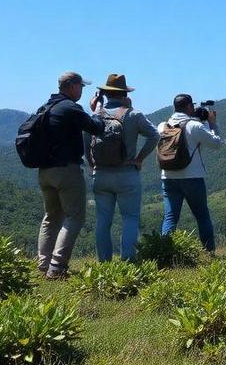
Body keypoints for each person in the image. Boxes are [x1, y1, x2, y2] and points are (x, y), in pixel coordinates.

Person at [38, 71, 106, 279]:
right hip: (66, 170)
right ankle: (57, 267)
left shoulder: (46, 107)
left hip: (44, 171)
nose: (82, 91)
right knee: (74, 216)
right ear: (72, 86)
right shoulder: (70, 108)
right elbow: (97, 128)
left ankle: (43, 264)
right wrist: (99, 109)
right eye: (81, 87)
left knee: (51, 217)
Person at [87, 74, 160, 262]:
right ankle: (128, 261)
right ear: (124, 93)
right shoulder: (133, 114)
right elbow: (154, 136)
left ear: (105, 93)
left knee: (103, 221)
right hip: (127, 174)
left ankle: (104, 262)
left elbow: (85, 143)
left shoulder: (95, 116)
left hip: (101, 174)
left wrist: (92, 164)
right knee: (130, 218)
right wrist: (139, 159)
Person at [157, 93, 222, 253]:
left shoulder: (162, 126)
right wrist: (212, 124)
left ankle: (164, 252)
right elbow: (216, 144)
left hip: (168, 177)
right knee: (202, 216)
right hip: (192, 177)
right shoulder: (194, 126)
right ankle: (209, 252)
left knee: (170, 217)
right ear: (189, 107)